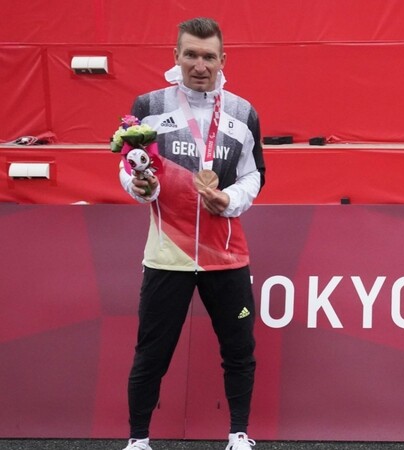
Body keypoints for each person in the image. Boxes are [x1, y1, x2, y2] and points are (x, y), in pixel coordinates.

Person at [119, 17, 265, 450]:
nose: (199, 65)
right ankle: (138, 440)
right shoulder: (148, 106)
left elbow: (253, 175)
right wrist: (140, 186)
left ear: (223, 60)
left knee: (239, 350)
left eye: (208, 56)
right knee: (152, 353)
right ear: (176, 57)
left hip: (226, 255)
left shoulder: (243, 112)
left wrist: (230, 200)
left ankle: (239, 434)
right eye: (191, 55)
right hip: (168, 255)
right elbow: (130, 167)